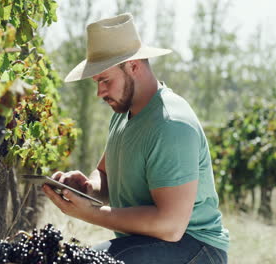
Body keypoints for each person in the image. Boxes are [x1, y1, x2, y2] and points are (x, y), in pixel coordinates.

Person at [42, 13, 230, 264]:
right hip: (154, 242)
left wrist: (89, 213)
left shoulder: (170, 123)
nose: (99, 92)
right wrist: (86, 189)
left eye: (105, 80)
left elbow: (171, 226)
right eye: (97, 82)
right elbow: (105, 176)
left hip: (195, 247)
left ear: (133, 65)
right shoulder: (123, 114)